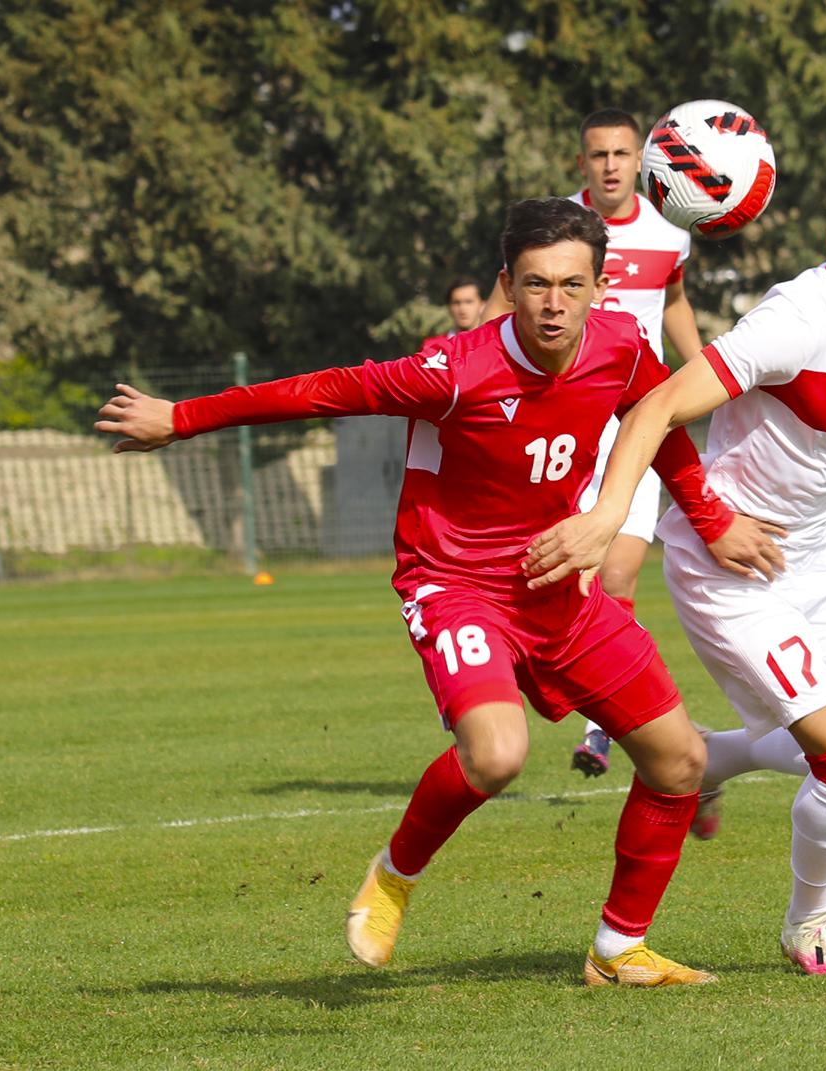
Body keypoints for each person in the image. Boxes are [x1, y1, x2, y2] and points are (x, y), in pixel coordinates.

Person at [95, 197, 782, 987]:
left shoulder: (624, 350)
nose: (552, 303)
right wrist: (180, 416)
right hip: (456, 585)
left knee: (679, 760)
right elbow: (323, 390)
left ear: (600, 287)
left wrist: (707, 514)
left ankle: (618, 948)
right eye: (534, 284)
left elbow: (660, 429)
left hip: (556, 583)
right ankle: (393, 875)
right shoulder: (455, 369)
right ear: (507, 284)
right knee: (497, 754)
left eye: (570, 284)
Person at [523, 162, 826, 976]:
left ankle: (707, 760)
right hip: (730, 565)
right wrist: (610, 515)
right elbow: (656, 404)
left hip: (820, 556)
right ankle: (810, 920)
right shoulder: (794, 320)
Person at [484, 108, 704, 779]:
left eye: (620, 153)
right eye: (597, 154)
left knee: (614, 571)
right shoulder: (559, 229)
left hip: (634, 415)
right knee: (539, 565)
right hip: (562, 416)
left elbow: (673, 304)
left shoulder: (671, 229)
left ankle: (601, 724)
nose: (610, 164)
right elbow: (505, 307)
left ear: (640, 159)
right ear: (581, 162)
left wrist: (707, 378)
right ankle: (487, 667)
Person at [422, 276, 484, 349]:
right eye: (456, 303)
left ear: (483, 306)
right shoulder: (433, 347)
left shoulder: (493, 345)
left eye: (469, 302)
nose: (462, 309)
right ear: (449, 308)